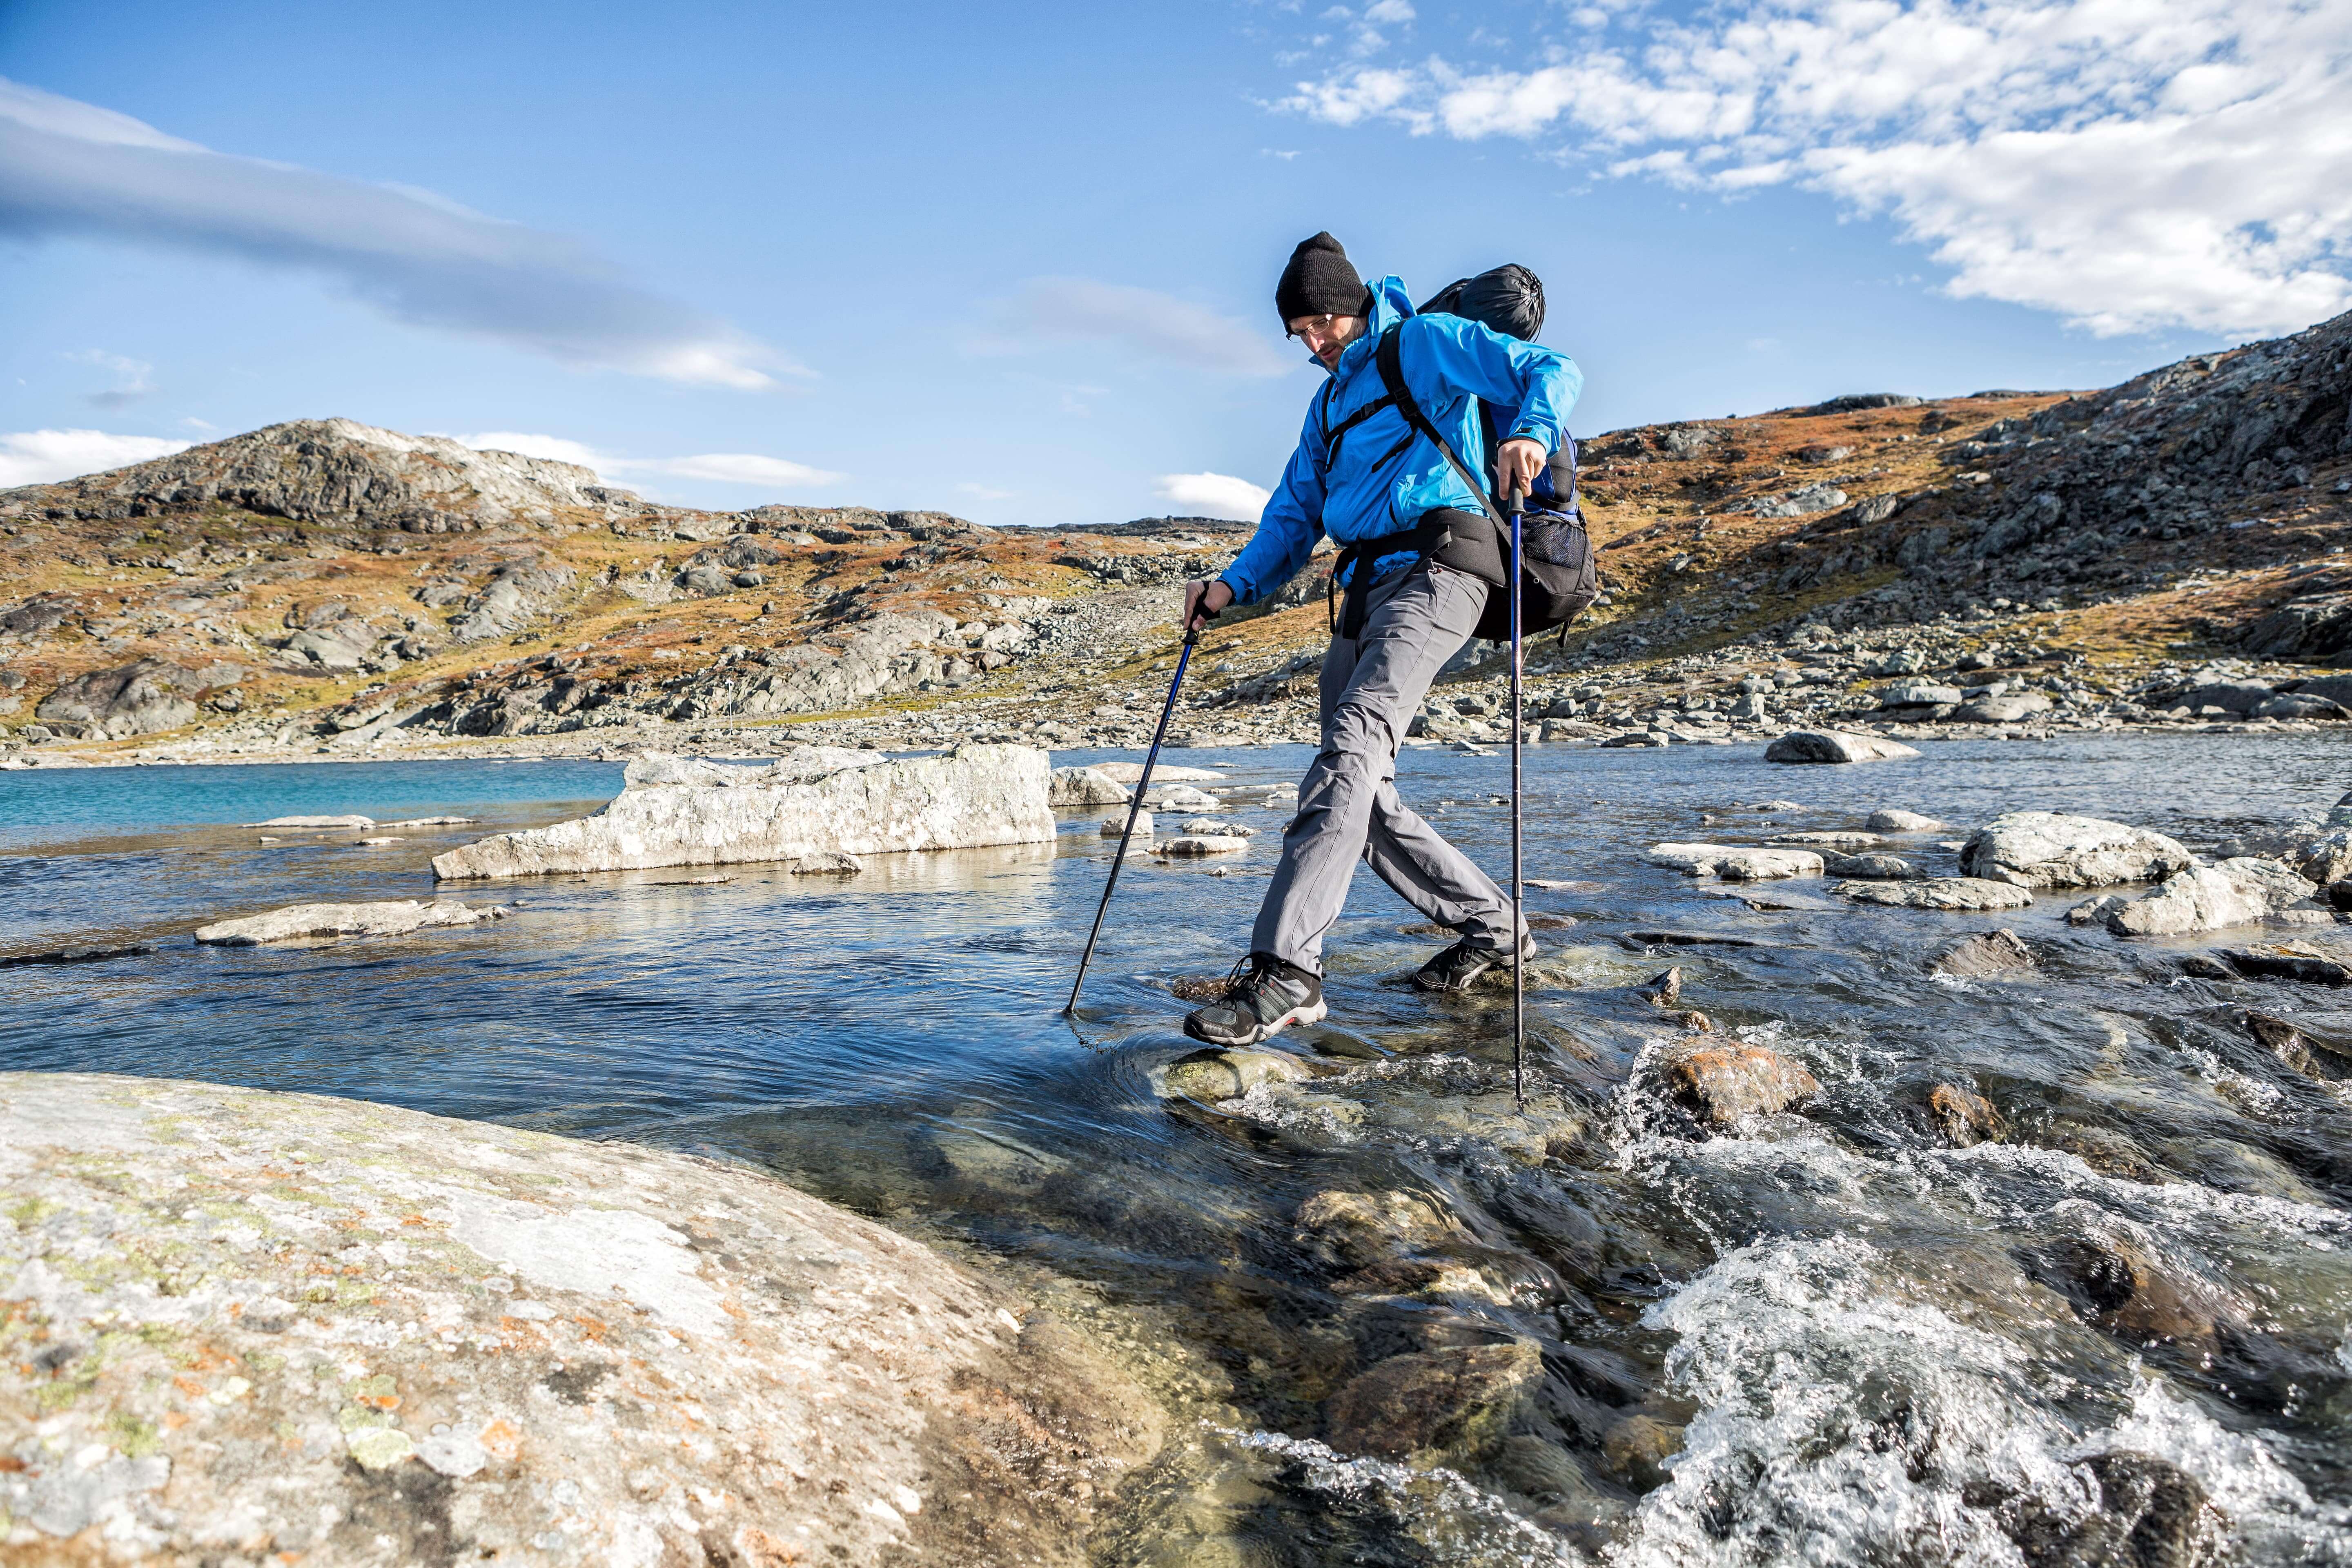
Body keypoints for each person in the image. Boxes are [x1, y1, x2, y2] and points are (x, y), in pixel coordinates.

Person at [1178, 232, 1582, 1047]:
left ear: (1353, 302)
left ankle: (1287, 971)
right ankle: (1498, 932)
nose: (1315, 342)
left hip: (1439, 572)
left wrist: (1529, 431)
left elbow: (1553, 369)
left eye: (1323, 321)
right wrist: (1229, 586)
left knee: (1352, 749)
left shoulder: (1422, 344)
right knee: (1365, 791)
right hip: (1362, 593)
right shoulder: (1327, 405)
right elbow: (1293, 515)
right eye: (1300, 332)